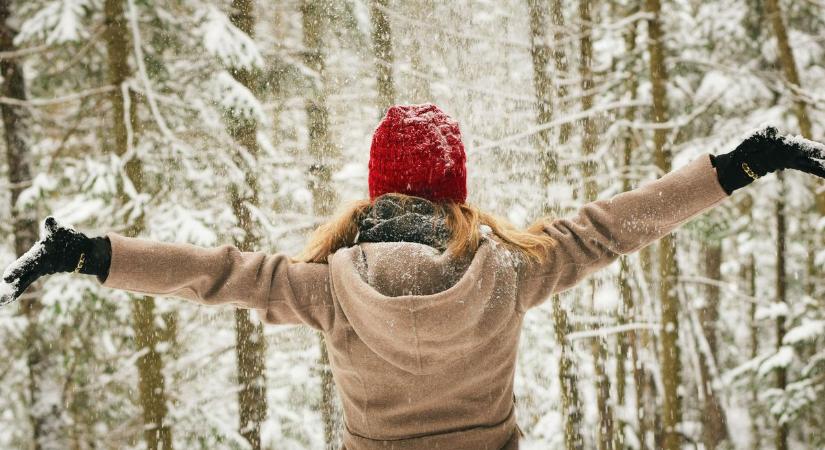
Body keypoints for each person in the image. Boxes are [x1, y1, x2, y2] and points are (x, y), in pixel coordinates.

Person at [2, 103, 824, 450]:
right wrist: (740, 164)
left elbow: (217, 276)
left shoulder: (324, 288)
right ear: (455, 189)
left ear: (375, 189)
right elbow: (616, 226)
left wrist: (89, 254)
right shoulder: (510, 271)